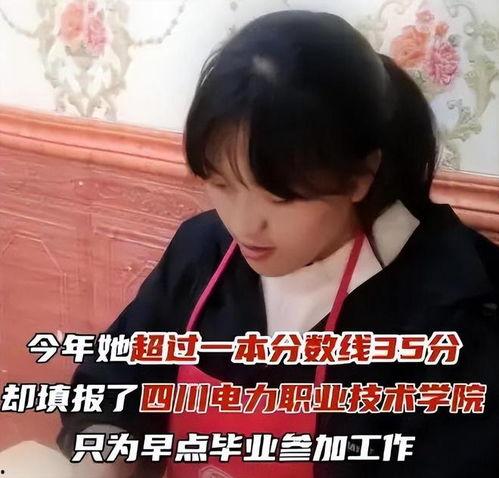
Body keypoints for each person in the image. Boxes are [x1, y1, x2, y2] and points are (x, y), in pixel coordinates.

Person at [57, 10, 499, 478]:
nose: (244, 225)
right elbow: (110, 390)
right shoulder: (204, 250)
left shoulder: (454, 310)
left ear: (359, 177)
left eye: (281, 197)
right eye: (222, 184)